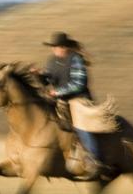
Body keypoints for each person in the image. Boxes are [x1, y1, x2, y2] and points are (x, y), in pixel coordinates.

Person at [37, 31, 113, 179]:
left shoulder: (75, 59)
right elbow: (47, 79)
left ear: (65, 47)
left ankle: (94, 159)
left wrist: (58, 92)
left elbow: (78, 84)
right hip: (60, 99)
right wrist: (39, 76)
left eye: (57, 46)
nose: (54, 49)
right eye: (52, 47)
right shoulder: (51, 60)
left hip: (78, 99)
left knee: (80, 123)